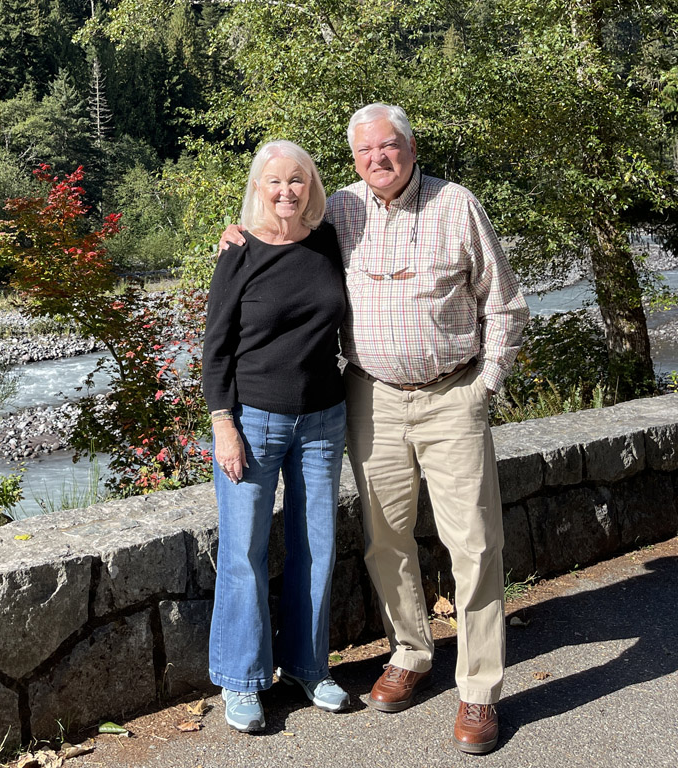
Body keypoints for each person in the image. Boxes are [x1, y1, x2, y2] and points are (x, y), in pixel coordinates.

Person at [218, 104, 529, 754]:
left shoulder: (456, 205)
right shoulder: (340, 212)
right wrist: (235, 237)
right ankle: (411, 653)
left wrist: (486, 387)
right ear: (352, 159)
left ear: (411, 147)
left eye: (389, 147)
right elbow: (278, 227)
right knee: (384, 541)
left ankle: (478, 691)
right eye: (365, 151)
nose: (378, 159)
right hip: (371, 400)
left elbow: (504, 302)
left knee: (472, 546)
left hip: (451, 397)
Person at [203, 140, 350, 733]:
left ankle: (309, 666)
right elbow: (215, 347)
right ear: (258, 187)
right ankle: (241, 679)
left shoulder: (328, 240)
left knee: (317, 545)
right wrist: (223, 424)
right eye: (275, 182)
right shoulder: (238, 249)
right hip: (253, 421)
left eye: (298, 180)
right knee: (244, 551)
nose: (287, 191)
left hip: (323, 419)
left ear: (312, 185)